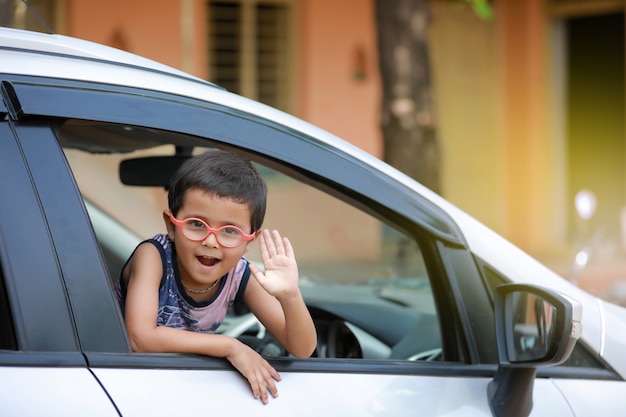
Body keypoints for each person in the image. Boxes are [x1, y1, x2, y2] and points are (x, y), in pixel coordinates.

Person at [115, 150, 317, 404]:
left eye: (230, 231)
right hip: (122, 385)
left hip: (176, 389)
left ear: (249, 242)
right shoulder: (153, 257)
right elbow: (139, 338)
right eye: (197, 224)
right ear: (171, 225)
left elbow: (302, 348)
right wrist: (230, 346)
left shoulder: (239, 274)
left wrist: (290, 295)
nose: (211, 241)